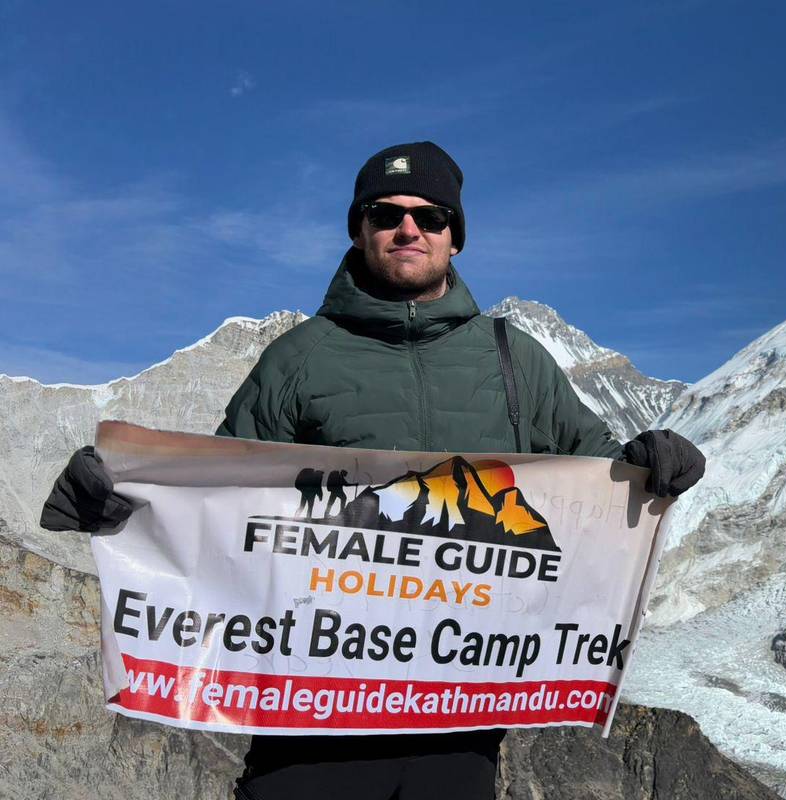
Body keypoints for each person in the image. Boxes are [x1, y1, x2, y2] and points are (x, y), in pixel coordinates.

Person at [39, 141, 706, 800]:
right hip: (307, 725)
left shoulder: (515, 360)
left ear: (455, 237)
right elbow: (219, 497)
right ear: (360, 230)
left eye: (431, 217)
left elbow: (596, 474)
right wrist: (122, 495)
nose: (409, 228)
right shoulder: (299, 358)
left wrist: (654, 463)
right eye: (386, 214)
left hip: (461, 730)